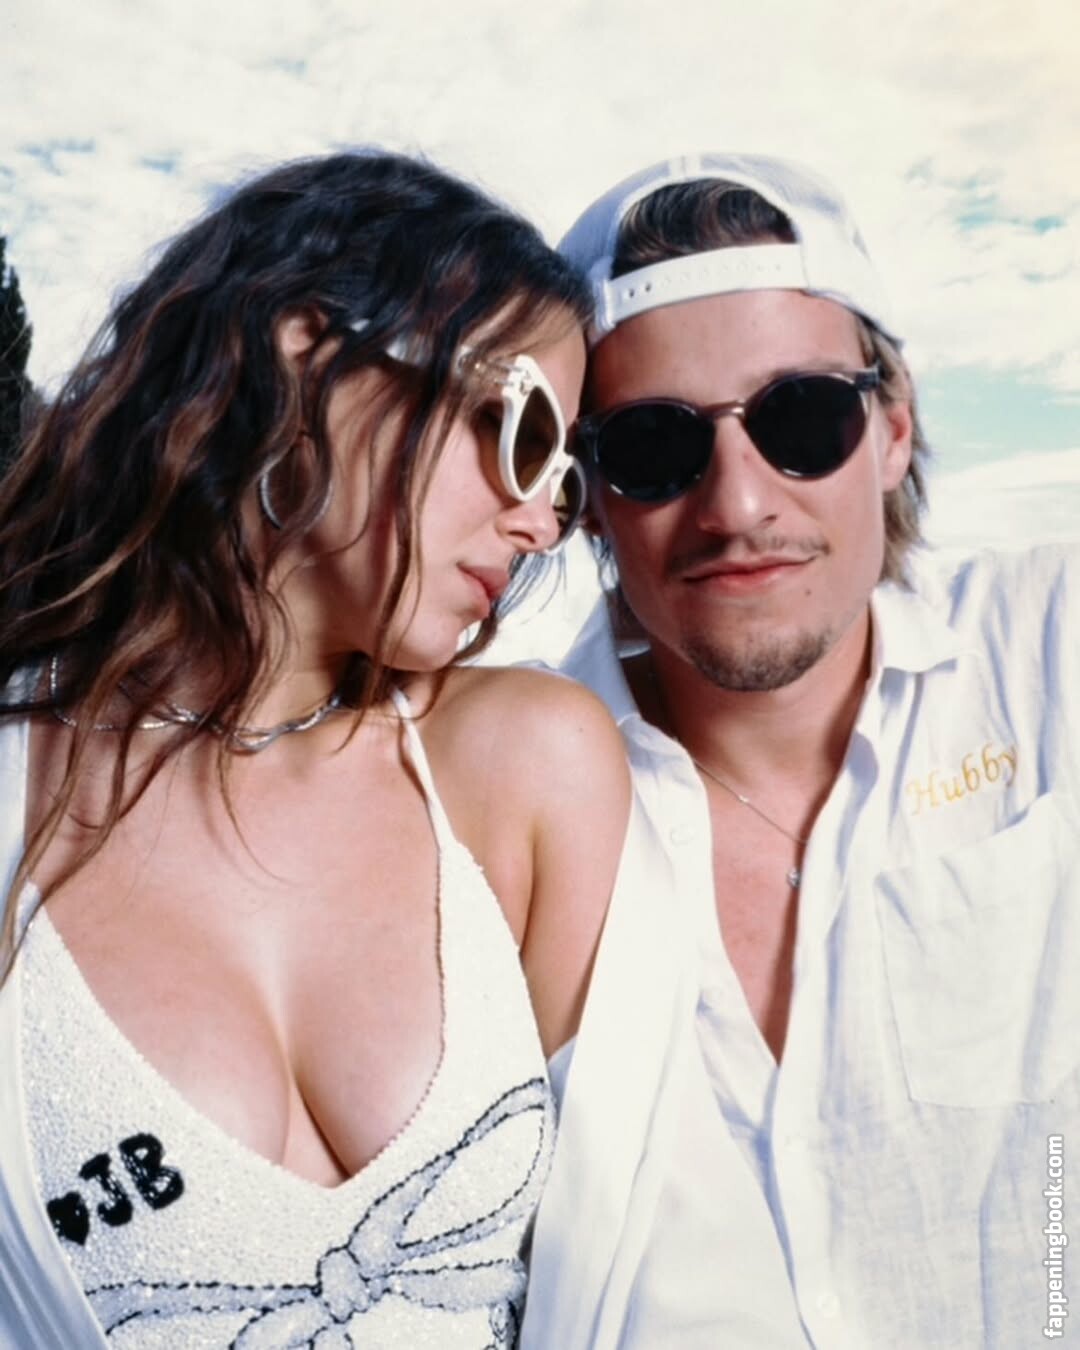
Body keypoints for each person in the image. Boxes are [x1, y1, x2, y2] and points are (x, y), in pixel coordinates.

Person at [0, 150, 632, 1348]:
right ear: (305, 353)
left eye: (565, 480)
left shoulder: (516, 772)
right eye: (520, 430)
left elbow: (644, 1264)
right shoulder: (15, 806)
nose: (542, 518)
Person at [522, 152, 1080, 1348]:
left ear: (893, 428)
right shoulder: (501, 803)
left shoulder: (1049, 652)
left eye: (802, 420)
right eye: (656, 446)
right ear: (587, 493)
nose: (738, 505)